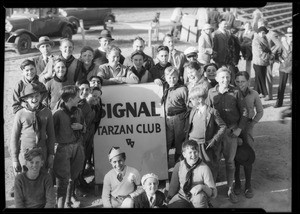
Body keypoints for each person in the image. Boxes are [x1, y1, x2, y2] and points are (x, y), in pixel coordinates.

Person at [206, 67, 248, 203]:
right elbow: (207, 113)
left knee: (230, 163)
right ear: (217, 79)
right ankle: (212, 191)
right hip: (217, 133)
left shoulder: (236, 92)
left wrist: (239, 130)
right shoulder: (211, 93)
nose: (225, 80)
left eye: (228, 77)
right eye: (222, 77)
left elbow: (245, 112)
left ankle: (230, 189)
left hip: (231, 132)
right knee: (215, 163)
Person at [10, 83, 55, 197]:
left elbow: (51, 135)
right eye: (31, 96)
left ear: (41, 96)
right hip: (25, 153)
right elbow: (14, 138)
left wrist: (50, 154)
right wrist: (15, 159)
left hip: (42, 153)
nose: (34, 99)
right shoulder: (20, 114)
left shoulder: (47, 112)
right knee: (26, 182)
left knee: (41, 181)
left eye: (37, 96)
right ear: (25, 99)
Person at [52, 85, 85, 208]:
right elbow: (50, 134)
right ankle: (59, 205)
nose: (79, 98)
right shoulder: (57, 114)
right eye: (77, 96)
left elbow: (85, 127)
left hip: (77, 147)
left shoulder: (78, 111)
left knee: (73, 177)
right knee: (62, 179)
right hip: (63, 149)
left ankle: (68, 202)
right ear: (70, 99)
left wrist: (81, 127)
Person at [185, 84, 226, 181]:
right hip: (193, 143)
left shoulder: (212, 112)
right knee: (194, 165)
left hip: (205, 145)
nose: (190, 101)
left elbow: (223, 127)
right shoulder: (193, 110)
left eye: (191, 99)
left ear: (199, 100)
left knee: (208, 165)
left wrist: (214, 140)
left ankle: (210, 188)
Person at [234, 71, 264, 198]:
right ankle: (237, 184)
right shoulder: (232, 93)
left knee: (248, 155)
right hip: (235, 127)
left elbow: (260, 111)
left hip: (247, 128)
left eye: (243, 81)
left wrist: (252, 124)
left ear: (248, 81)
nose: (240, 84)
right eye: (238, 81)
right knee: (234, 155)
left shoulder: (254, 94)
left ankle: (248, 185)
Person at [166, 140, 217, 208]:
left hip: (198, 197)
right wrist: (169, 198)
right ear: (184, 154)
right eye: (190, 152)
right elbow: (173, 186)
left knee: (199, 198)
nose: (193, 155)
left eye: (195, 152)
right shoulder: (178, 166)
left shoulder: (204, 168)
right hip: (182, 195)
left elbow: (213, 193)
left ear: (198, 152)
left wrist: (202, 187)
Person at [161, 67, 188, 163]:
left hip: (179, 117)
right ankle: (165, 166)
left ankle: (179, 165)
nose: (172, 80)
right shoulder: (164, 87)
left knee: (179, 142)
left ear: (178, 77)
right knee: (167, 142)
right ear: (165, 77)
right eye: (169, 77)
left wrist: (186, 121)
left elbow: (188, 105)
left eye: (174, 77)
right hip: (167, 118)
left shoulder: (182, 89)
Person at [75, 80, 96, 193]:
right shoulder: (73, 103)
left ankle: (80, 179)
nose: (84, 91)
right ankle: (76, 188)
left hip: (85, 137)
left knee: (82, 161)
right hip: (74, 139)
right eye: (82, 89)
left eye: (87, 89)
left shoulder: (87, 104)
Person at [257, 18, 283, 101]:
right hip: (262, 58)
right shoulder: (261, 34)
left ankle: (270, 95)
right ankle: (264, 93)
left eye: (260, 25)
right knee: (263, 75)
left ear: (264, 25)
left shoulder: (272, 34)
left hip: (269, 59)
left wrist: (272, 52)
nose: (259, 27)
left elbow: (279, 44)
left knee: (268, 76)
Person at [274, 27, 292, 108]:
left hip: (291, 67)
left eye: (292, 35)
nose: (291, 36)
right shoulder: (282, 43)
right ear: (287, 35)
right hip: (283, 66)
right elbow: (277, 55)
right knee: (281, 85)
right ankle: (279, 103)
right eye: (289, 35)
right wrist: (281, 61)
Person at [252, 26, 272, 99]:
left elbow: (268, 49)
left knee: (258, 79)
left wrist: (270, 54)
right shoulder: (256, 40)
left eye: (264, 33)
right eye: (262, 33)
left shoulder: (265, 38)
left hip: (263, 63)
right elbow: (259, 53)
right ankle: (263, 93)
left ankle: (255, 94)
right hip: (258, 62)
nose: (263, 34)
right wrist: (269, 56)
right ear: (259, 32)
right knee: (260, 79)